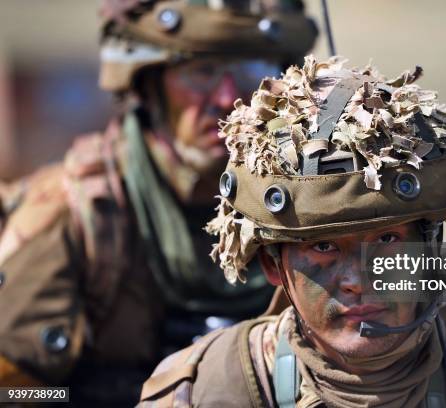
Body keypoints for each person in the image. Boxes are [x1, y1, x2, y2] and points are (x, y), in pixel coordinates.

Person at [138, 56, 446, 407]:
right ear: (273, 265)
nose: (359, 277)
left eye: (386, 239)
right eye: (323, 246)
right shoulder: (213, 387)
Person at [0, 0, 316, 405]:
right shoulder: (72, 213)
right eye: (201, 72)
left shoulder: (318, 202)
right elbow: (12, 389)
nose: (227, 98)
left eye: (251, 71)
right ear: (149, 84)